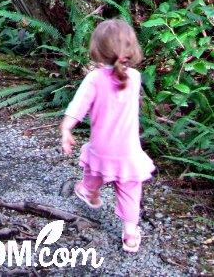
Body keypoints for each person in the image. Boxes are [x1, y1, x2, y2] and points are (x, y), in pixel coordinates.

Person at [61, 19, 155, 253]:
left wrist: (66, 129)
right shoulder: (134, 78)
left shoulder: (94, 79)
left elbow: (78, 106)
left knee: (95, 168)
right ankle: (131, 236)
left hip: (102, 148)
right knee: (131, 192)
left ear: (97, 51)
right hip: (129, 152)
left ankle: (89, 192)